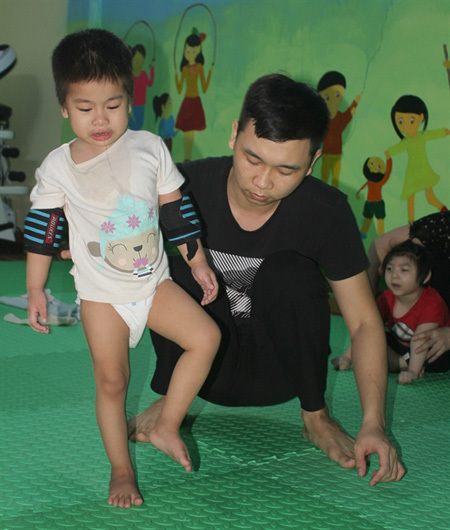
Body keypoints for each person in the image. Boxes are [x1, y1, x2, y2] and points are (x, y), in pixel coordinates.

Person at [128, 73, 405, 486]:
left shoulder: (326, 213)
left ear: (312, 164)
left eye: (286, 170)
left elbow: (365, 323)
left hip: (284, 376)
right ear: (234, 135)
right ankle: (173, 402)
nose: (262, 181)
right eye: (252, 158)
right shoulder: (181, 189)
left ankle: (316, 418)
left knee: (289, 273)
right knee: (178, 269)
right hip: (201, 372)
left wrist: (373, 424)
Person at [24, 29, 220, 509]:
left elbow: (176, 213)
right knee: (112, 381)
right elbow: (42, 231)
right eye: (85, 108)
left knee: (206, 337)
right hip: (100, 295)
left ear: (129, 101)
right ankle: (120, 468)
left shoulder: (150, 147)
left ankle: (167, 424)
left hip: (153, 282)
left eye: (112, 105)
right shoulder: (57, 167)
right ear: (65, 108)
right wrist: (35, 290)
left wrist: (197, 264)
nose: (100, 119)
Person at [333, 241, 450, 382]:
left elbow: (421, 340)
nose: (394, 275)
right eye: (390, 269)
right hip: (402, 347)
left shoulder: (432, 303)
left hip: (431, 351)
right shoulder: (387, 298)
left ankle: (406, 365)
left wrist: (412, 372)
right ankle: (400, 363)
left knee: (432, 350)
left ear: (425, 277)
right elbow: (366, 326)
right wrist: (347, 357)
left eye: (404, 270)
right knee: (373, 339)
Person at [366, 211, 450, 372]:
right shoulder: (441, 226)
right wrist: (365, 311)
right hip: (424, 319)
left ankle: (405, 362)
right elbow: (380, 245)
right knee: (370, 338)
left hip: (439, 325)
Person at [385, 95, 449, 222]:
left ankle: (445, 210)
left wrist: (445, 132)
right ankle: (411, 222)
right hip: (412, 172)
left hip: (424, 170)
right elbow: (397, 148)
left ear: (422, 117)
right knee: (410, 197)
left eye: (411, 120)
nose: (405, 126)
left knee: (430, 197)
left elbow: (434, 134)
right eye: (400, 122)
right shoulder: (406, 141)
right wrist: (389, 152)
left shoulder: (422, 135)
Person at [175, 28, 213, 162]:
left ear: (198, 51)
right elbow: (179, 89)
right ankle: (187, 158)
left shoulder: (200, 68)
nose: (190, 53)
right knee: (187, 134)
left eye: (193, 50)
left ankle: (188, 159)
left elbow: (204, 87)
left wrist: (209, 73)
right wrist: (176, 74)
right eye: (188, 50)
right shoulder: (185, 69)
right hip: (187, 101)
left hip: (195, 101)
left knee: (191, 134)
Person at [317, 71, 360, 188]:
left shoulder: (340, 117)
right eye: (327, 97)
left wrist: (355, 103)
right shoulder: (321, 119)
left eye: (338, 95)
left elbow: (347, 117)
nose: (333, 100)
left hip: (336, 154)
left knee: (335, 180)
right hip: (326, 154)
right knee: (324, 178)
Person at [356, 154, 392, 238]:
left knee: (380, 220)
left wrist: (388, 159)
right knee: (367, 219)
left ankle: (381, 235)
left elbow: (388, 173)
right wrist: (358, 192)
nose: (374, 169)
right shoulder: (369, 181)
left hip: (378, 203)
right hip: (369, 203)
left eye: (379, 167)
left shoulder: (380, 182)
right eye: (371, 165)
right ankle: (363, 232)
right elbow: (364, 185)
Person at [129, 44, 154, 130]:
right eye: (136, 61)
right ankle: (127, 118)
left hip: (142, 104)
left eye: (141, 60)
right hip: (133, 104)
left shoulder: (144, 74)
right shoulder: (130, 77)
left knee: (139, 125)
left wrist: (152, 68)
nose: (139, 63)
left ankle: (127, 118)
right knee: (136, 126)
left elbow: (150, 83)